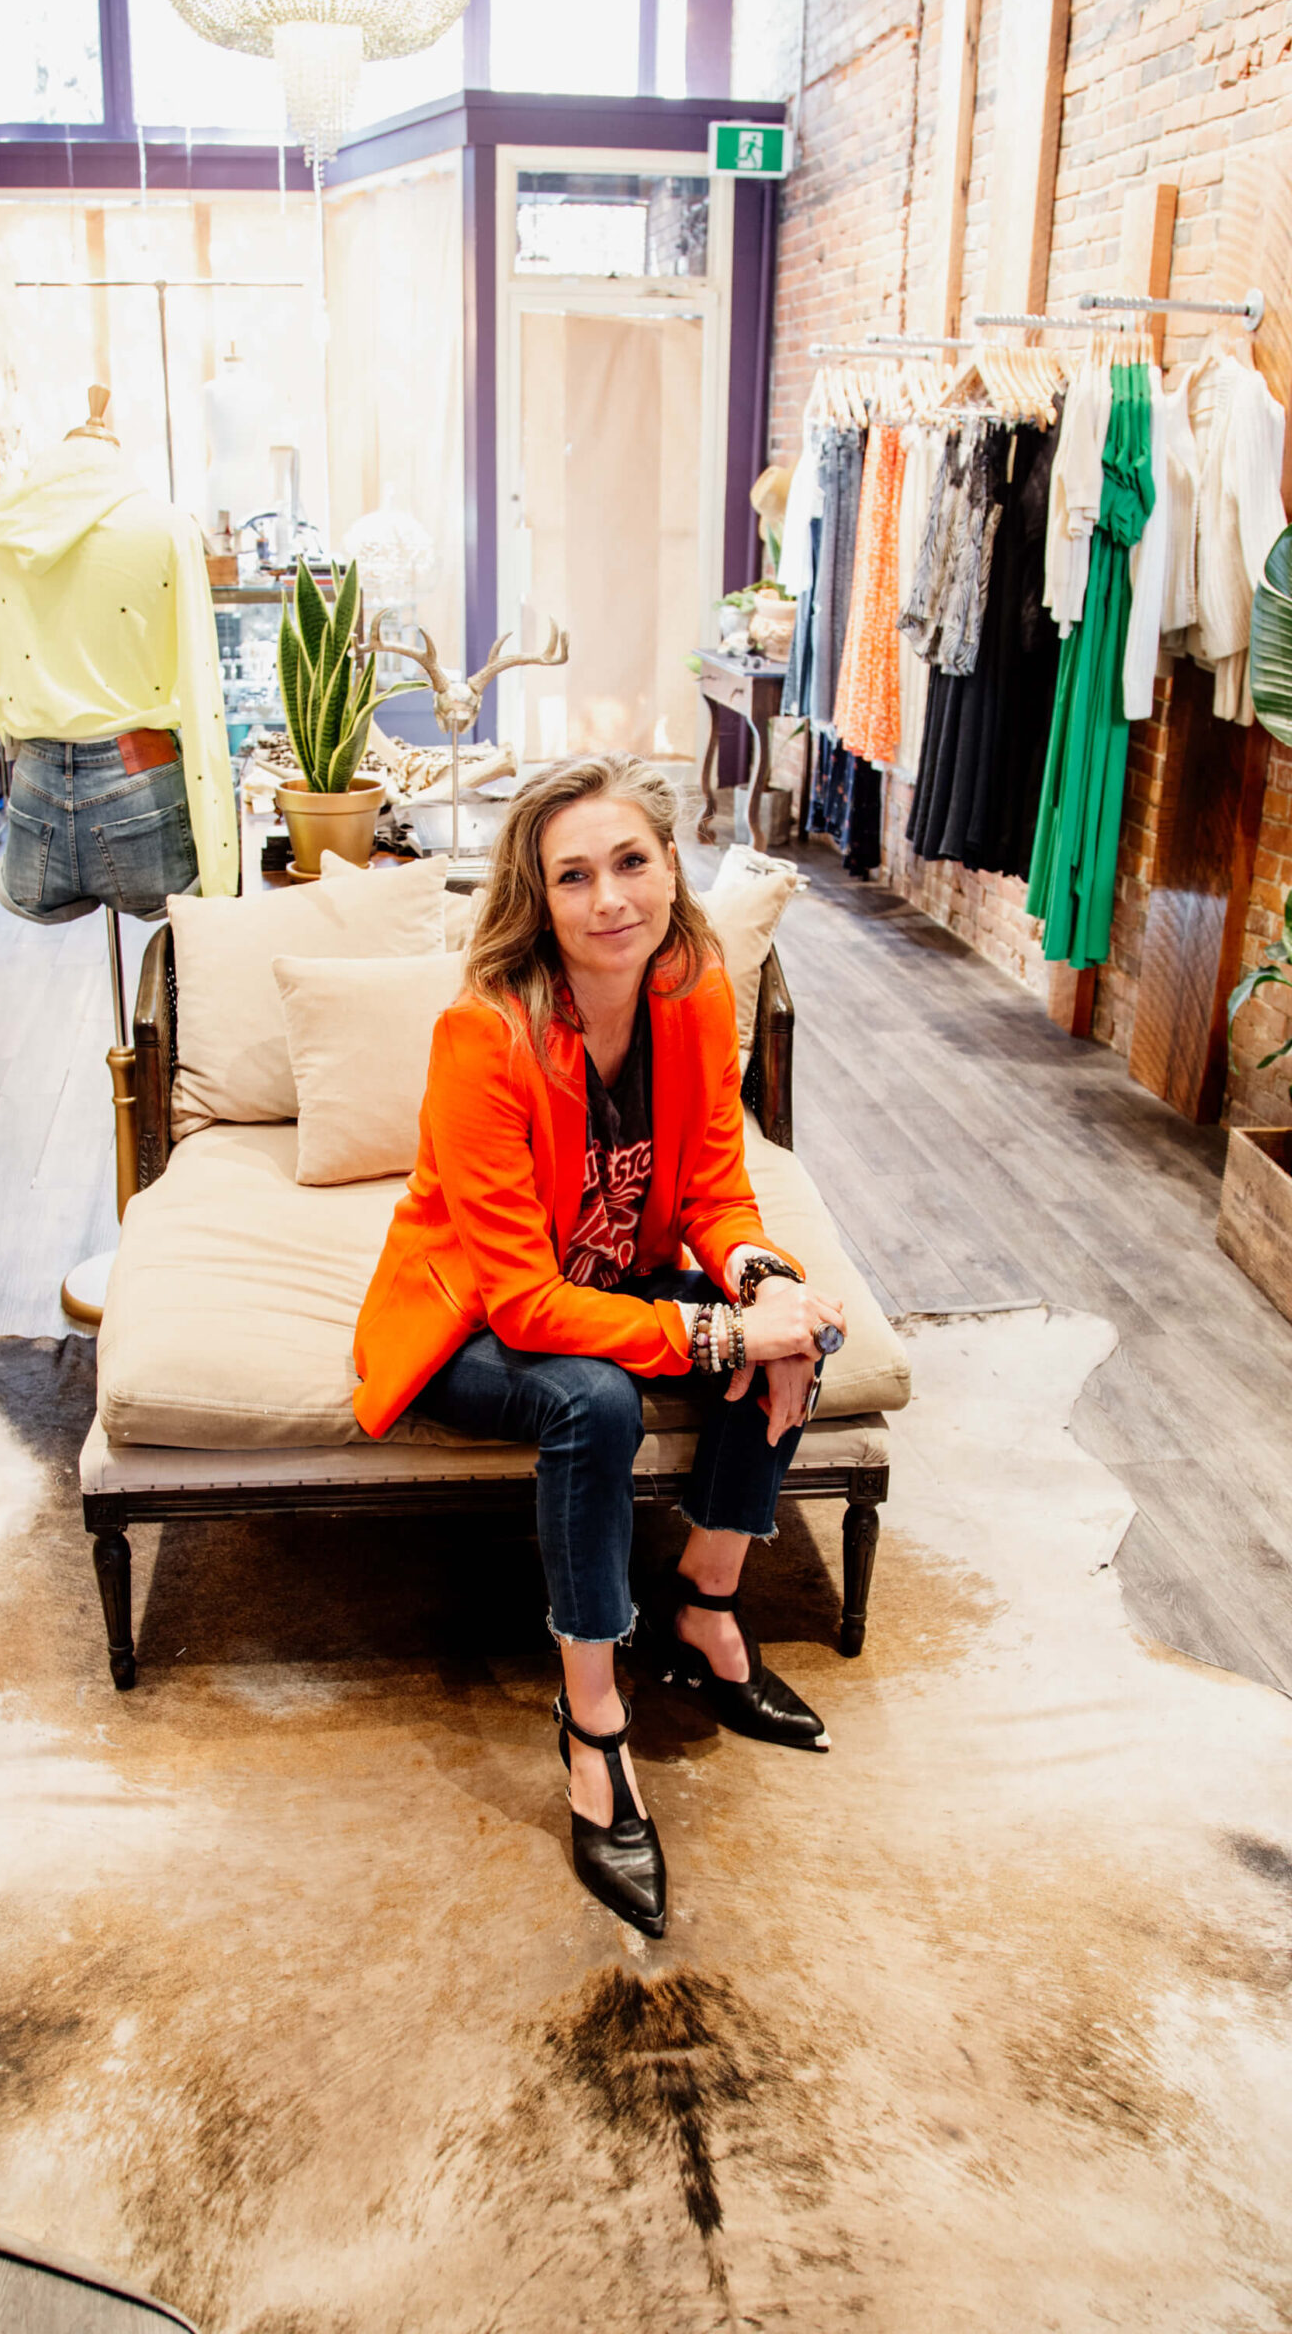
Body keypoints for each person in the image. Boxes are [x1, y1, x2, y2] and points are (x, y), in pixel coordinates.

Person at [353, 754, 847, 1938]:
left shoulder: (696, 994)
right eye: (572, 876)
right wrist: (713, 1325)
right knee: (599, 1402)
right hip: (472, 1318)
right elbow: (523, 1302)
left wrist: (761, 1292)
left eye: (631, 862)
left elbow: (720, 1194)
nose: (609, 897)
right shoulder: (482, 1036)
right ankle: (594, 1726)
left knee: (790, 1326)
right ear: (538, 897)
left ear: (673, 867)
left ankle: (705, 1610)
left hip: (610, 1284)